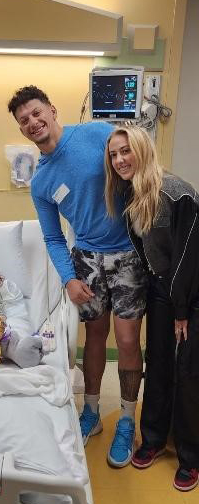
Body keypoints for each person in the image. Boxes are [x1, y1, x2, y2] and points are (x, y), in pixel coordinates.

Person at [8, 85, 148, 467]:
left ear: (52, 110)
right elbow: (53, 237)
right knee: (95, 336)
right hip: (86, 259)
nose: (33, 122)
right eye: (24, 121)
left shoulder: (97, 133)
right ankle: (90, 411)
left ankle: (125, 418)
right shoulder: (41, 182)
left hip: (129, 255)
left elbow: (136, 160)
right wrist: (69, 278)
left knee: (128, 338)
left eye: (37, 113)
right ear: (21, 130)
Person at [105, 125, 199, 491]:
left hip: (190, 294)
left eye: (126, 151)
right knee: (158, 361)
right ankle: (155, 438)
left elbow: (188, 258)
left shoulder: (177, 193)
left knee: (187, 370)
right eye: (114, 155)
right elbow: (151, 255)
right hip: (164, 289)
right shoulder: (133, 194)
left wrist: (180, 311)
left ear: (143, 150)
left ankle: (191, 457)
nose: (120, 160)